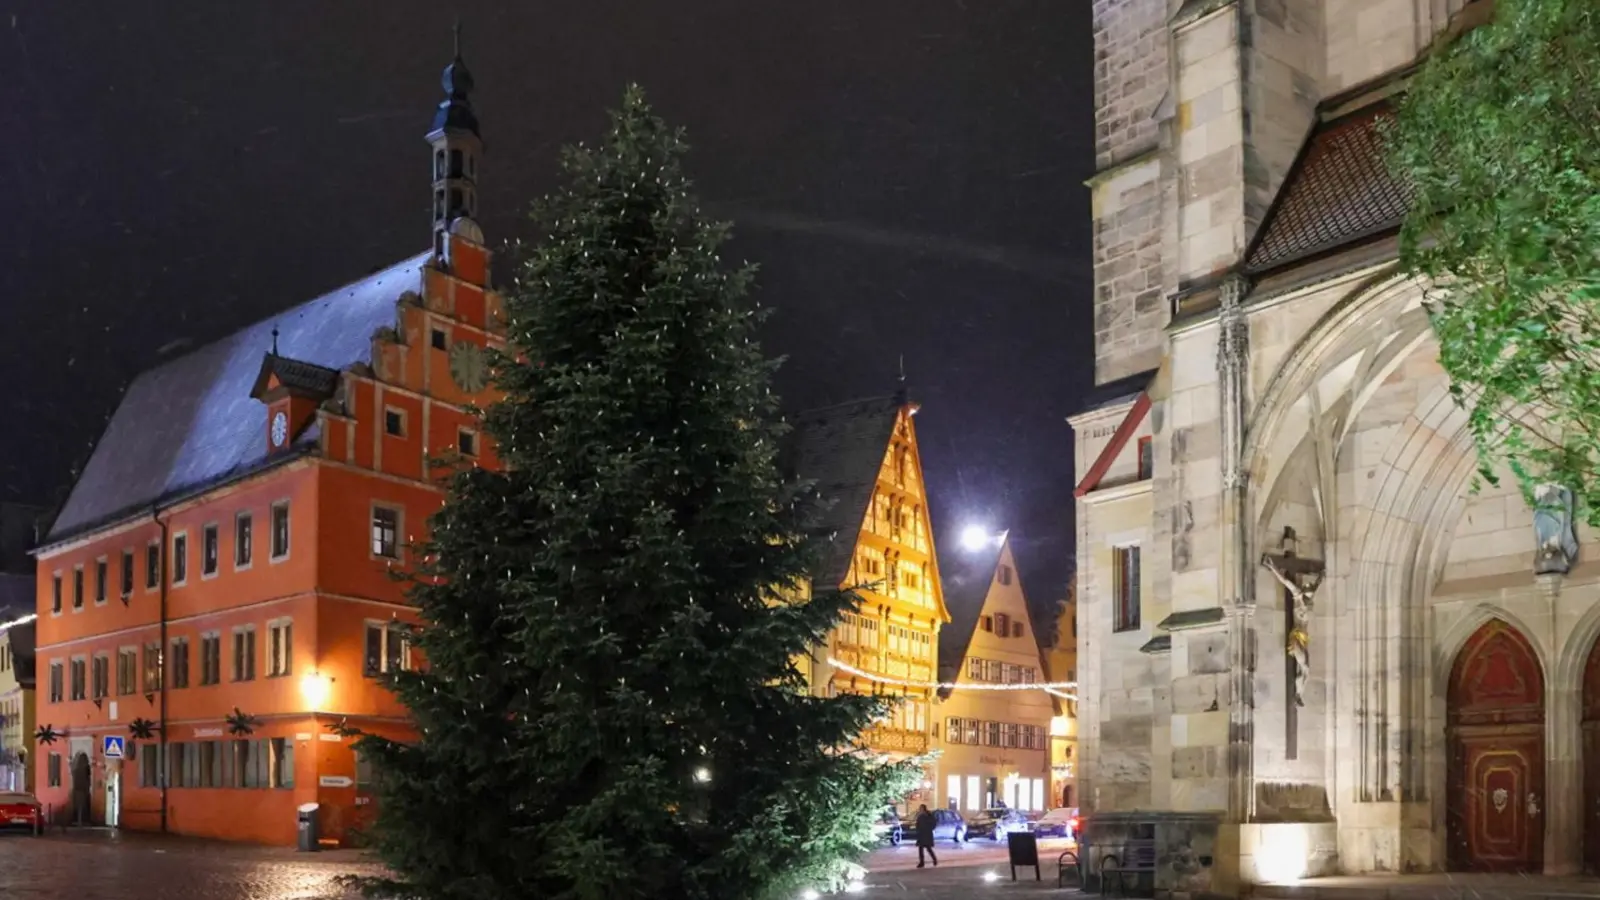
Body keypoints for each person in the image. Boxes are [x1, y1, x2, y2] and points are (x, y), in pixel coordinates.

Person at [914, 803, 938, 868]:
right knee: (920, 849)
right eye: (920, 808)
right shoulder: (920, 816)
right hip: (921, 835)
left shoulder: (928, 815)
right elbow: (917, 824)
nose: (920, 809)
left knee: (928, 848)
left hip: (927, 834)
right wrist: (917, 831)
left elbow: (933, 823)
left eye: (921, 808)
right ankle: (921, 862)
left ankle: (934, 859)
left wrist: (929, 828)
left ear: (924, 808)